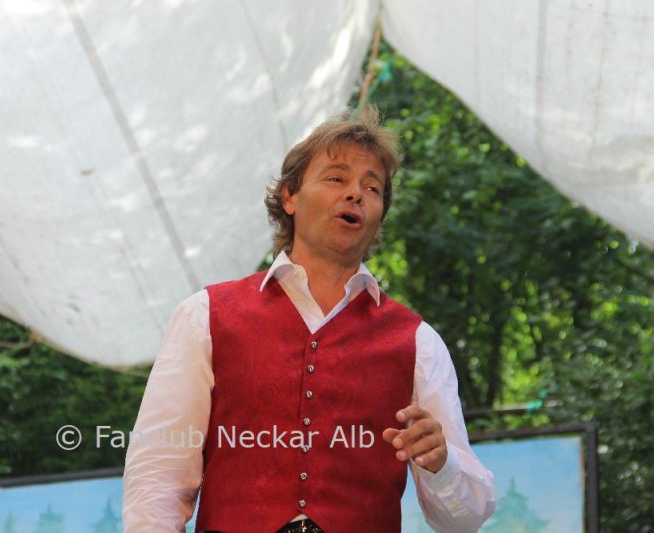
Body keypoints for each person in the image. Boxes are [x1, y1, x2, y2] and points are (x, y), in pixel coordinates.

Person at [122, 105, 496, 533]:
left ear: (379, 215)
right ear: (290, 197)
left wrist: (442, 464)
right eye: (336, 178)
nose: (355, 194)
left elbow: (465, 520)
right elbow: (158, 472)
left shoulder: (417, 342)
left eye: (372, 187)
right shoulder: (205, 316)